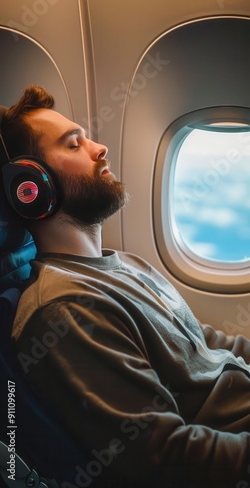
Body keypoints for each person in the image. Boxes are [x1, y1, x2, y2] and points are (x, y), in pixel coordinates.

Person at [1, 85, 250, 488]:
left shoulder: (127, 263)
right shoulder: (65, 308)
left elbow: (204, 345)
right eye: (74, 143)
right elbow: (165, 458)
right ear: (31, 187)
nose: (99, 148)